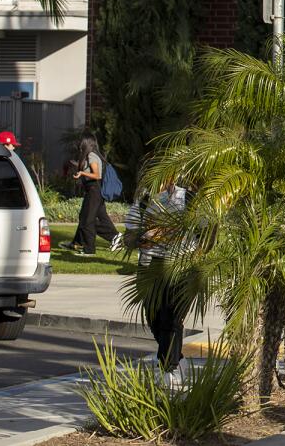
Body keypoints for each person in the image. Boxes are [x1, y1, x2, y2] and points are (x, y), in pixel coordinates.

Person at [124, 179, 190, 386]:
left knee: (171, 318)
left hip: (180, 265)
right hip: (149, 265)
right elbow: (129, 237)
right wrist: (145, 237)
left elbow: (207, 231)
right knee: (153, 317)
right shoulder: (144, 200)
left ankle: (168, 370)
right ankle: (177, 359)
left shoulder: (187, 199)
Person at [61, 131, 119, 256]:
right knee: (89, 217)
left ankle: (90, 249)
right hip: (92, 190)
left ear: (86, 142)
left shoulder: (91, 155)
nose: (79, 143)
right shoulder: (90, 155)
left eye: (81, 141)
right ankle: (77, 243)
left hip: (94, 190)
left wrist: (82, 173)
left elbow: (96, 175)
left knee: (87, 220)